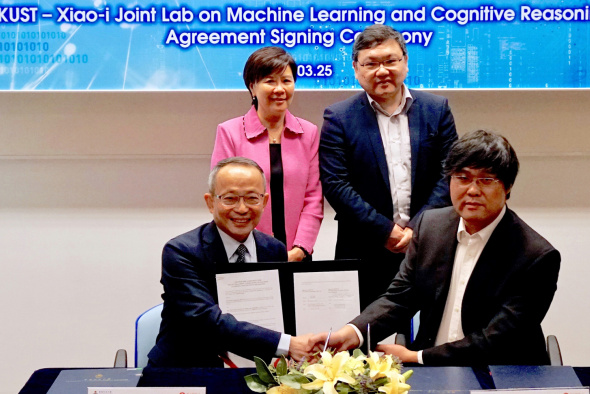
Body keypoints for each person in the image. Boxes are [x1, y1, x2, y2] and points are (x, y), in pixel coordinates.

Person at [313, 130, 561, 366]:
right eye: (462, 178)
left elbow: (496, 339)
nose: (472, 190)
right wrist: (353, 332)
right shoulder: (431, 226)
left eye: (486, 180)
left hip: (498, 374)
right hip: (431, 373)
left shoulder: (536, 256)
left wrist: (418, 357)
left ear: (507, 188)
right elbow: (399, 297)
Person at [319, 24, 458, 302]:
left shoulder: (436, 109)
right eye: (371, 63)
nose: (382, 71)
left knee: (428, 335)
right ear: (356, 69)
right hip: (363, 249)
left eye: (390, 61)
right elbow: (336, 184)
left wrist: (416, 230)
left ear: (405, 62)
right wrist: (386, 231)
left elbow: (450, 174)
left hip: (428, 246)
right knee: (363, 339)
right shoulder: (339, 117)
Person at [148, 157, 316, 367]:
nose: (242, 209)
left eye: (252, 198)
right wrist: (288, 344)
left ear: (264, 202)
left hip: (259, 371)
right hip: (188, 369)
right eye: (230, 198)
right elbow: (205, 320)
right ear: (210, 202)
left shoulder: (274, 249)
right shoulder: (181, 251)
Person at [211, 46, 323, 262]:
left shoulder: (308, 132)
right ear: (252, 87)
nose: (279, 89)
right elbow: (225, 200)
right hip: (245, 255)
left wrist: (300, 249)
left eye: (286, 81)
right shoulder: (229, 132)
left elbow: (313, 199)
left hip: (298, 254)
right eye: (270, 81)